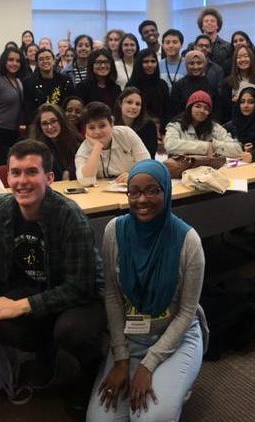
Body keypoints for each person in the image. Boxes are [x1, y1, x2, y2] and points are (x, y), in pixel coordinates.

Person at [0, 140, 105, 412]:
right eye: (15, 173)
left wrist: (22, 306)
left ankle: (91, 371)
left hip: (83, 297)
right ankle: (46, 353)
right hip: (40, 289)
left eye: (31, 172)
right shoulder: (8, 206)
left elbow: (81, 287)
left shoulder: (70, 218)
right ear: (7, 178)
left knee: (70, 331)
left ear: (49, 178)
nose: (22, 181)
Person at [87, 160, 206, 422]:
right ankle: (162, 387)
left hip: (175, 337)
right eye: (135, 192)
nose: (143, 199)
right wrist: (121, 358)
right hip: (132, 337)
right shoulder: (114, 231)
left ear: (166, 191)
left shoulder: (188, 241)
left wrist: (147, 365)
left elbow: (187, 312)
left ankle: (176, 385)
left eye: (153, 191)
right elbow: (112, 297)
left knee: (151, 418)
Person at [75, 103, 151, 186]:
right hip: (100, 196)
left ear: (111, 124)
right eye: (91, 128)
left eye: (102, 126)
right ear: (85, 130)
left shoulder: (126, 134)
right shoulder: (83, 150)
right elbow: (86, 181)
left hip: (132, 188)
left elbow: (147, 165)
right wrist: (97, 147)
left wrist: (133, 176)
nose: (97, 132)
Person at [164, 91, 242, 157]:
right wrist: (205, 147)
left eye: (206, 108)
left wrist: (214, 144)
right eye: (198, 106)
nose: (202, 110)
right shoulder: (175, 125)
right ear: (189, 108)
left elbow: (237, 149)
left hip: (211, 171)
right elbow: (170, 145)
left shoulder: (215, 127)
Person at [23, 49, 74, 131]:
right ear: (37, 63)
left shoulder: (65, 81)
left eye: (48, 58)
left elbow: (69, 103)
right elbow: (28, 107)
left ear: (54, 61)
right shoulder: (28, 82)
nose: (45, 61)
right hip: (38, 125)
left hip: (62, 124)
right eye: (41, 59)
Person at [29, 103, 83, 181]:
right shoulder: (35, 148)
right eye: (44, 123)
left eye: (53, 121)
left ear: (61, 121)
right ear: (39, 127)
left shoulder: (76, 141)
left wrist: (69, 172)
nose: (50, 127)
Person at [221, 45, 255, 121]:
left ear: (251, 59)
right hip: (235, 124)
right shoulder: (228, 82)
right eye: (239, 57)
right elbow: (224, 109)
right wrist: (235, 102)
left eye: (246, 56)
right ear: (235, 61)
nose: (242, 59)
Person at [168, 51, 217, 122]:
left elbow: (216, 111)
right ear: (186, 65)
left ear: (204, 64)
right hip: (183, 126)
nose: (195, 66)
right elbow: (173, 111)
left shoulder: (211, 84)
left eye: (199, 63)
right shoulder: (178, 85)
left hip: (207, 127)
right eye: (191, 63)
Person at [225, 87, 255, 156]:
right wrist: (241, 147)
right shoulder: (232, 124)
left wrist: (252, 153)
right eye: (242, 102)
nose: (246, 105)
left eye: (250, 102)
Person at [127, 49, 170, 123]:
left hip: (159, 129)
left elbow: (167, 111)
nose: (150, 65)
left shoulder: (162, 85)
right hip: (136, 127)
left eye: (153, 61)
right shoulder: (131, 85)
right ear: (139, 63)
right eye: (146, 62)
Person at [115, 89, 161, 157]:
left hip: (140, 166)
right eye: (129, 102)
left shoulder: (149, 126)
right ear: (120, 103)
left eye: (138, 104)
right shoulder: (111, 125)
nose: (134, 107)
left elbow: (150, 155)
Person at [199, 8, 234, 72]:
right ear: (202, 26)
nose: (209, 23)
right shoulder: (192, 46)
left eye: (212, 21)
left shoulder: (228, 47)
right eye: (206, 21)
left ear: (217, 25)